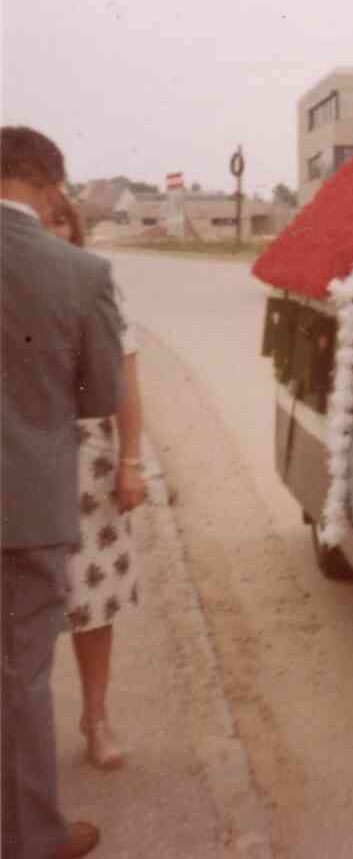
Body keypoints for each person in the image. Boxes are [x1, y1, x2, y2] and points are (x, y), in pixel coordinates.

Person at [2, 126, 123, 859]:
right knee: (21, 677)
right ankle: (33, 837)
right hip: (25, 507)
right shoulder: (80, 271)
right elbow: (101, 394)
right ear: (48, 186)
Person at [47, 194, 147, 770]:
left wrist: (131, 462)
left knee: (93, 604)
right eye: (46, 218)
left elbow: (128, 385)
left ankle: (97, 717)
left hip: (89, 465)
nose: (55, 229)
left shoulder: (98, 288)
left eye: (64, 219)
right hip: (20, 464)